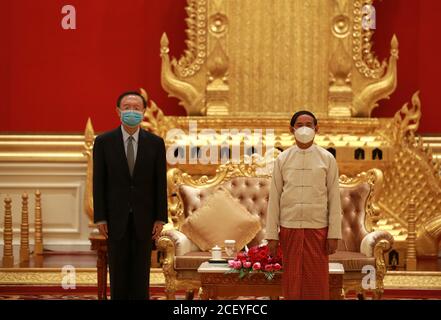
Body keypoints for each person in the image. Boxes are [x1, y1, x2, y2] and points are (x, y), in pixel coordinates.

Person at [93, 91, 168, 300]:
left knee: (141, 273)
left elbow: (160, 182)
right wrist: (100, 217)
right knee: (117, 272)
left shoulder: (155, 143)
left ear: (144, 112)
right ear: (118, 111)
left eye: (136, 108)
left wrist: (160, 217)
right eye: (127, 107)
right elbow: (99, 182)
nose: (131, 112)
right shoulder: (103, 142)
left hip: (145, 218)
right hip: (115, 218)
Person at [265, 110, 342, 300]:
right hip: (290, 228)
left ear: (317, 128)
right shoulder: (283, 159)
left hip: (317, 229)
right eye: (300, 125)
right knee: (292, 281)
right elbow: (274, 198)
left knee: (316, 281)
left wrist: (334, 234)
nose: (305, 129)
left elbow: (334, 198)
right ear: (291, 129)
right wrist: (272, 235)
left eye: (309, 124)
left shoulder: (327, 159)